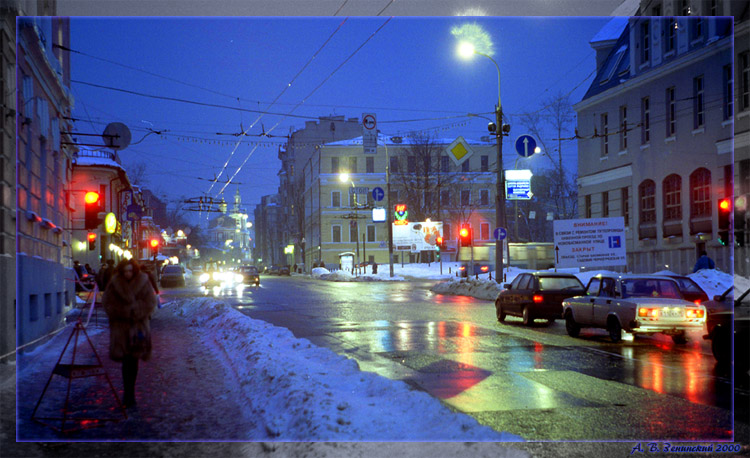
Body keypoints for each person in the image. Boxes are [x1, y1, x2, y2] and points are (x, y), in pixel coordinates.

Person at [102, 259, 158, 408]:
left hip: (137, 328)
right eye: (125, 271)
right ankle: (127, 394)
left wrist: (137, 311)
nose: (128, 273)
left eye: (130, 271)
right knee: (126, 362)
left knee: (134, 361)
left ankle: (130, 394)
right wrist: (123, 312)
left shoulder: (143, 281)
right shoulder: (115, 283)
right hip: (121, 328)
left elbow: (150, 302)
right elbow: (107, 302)